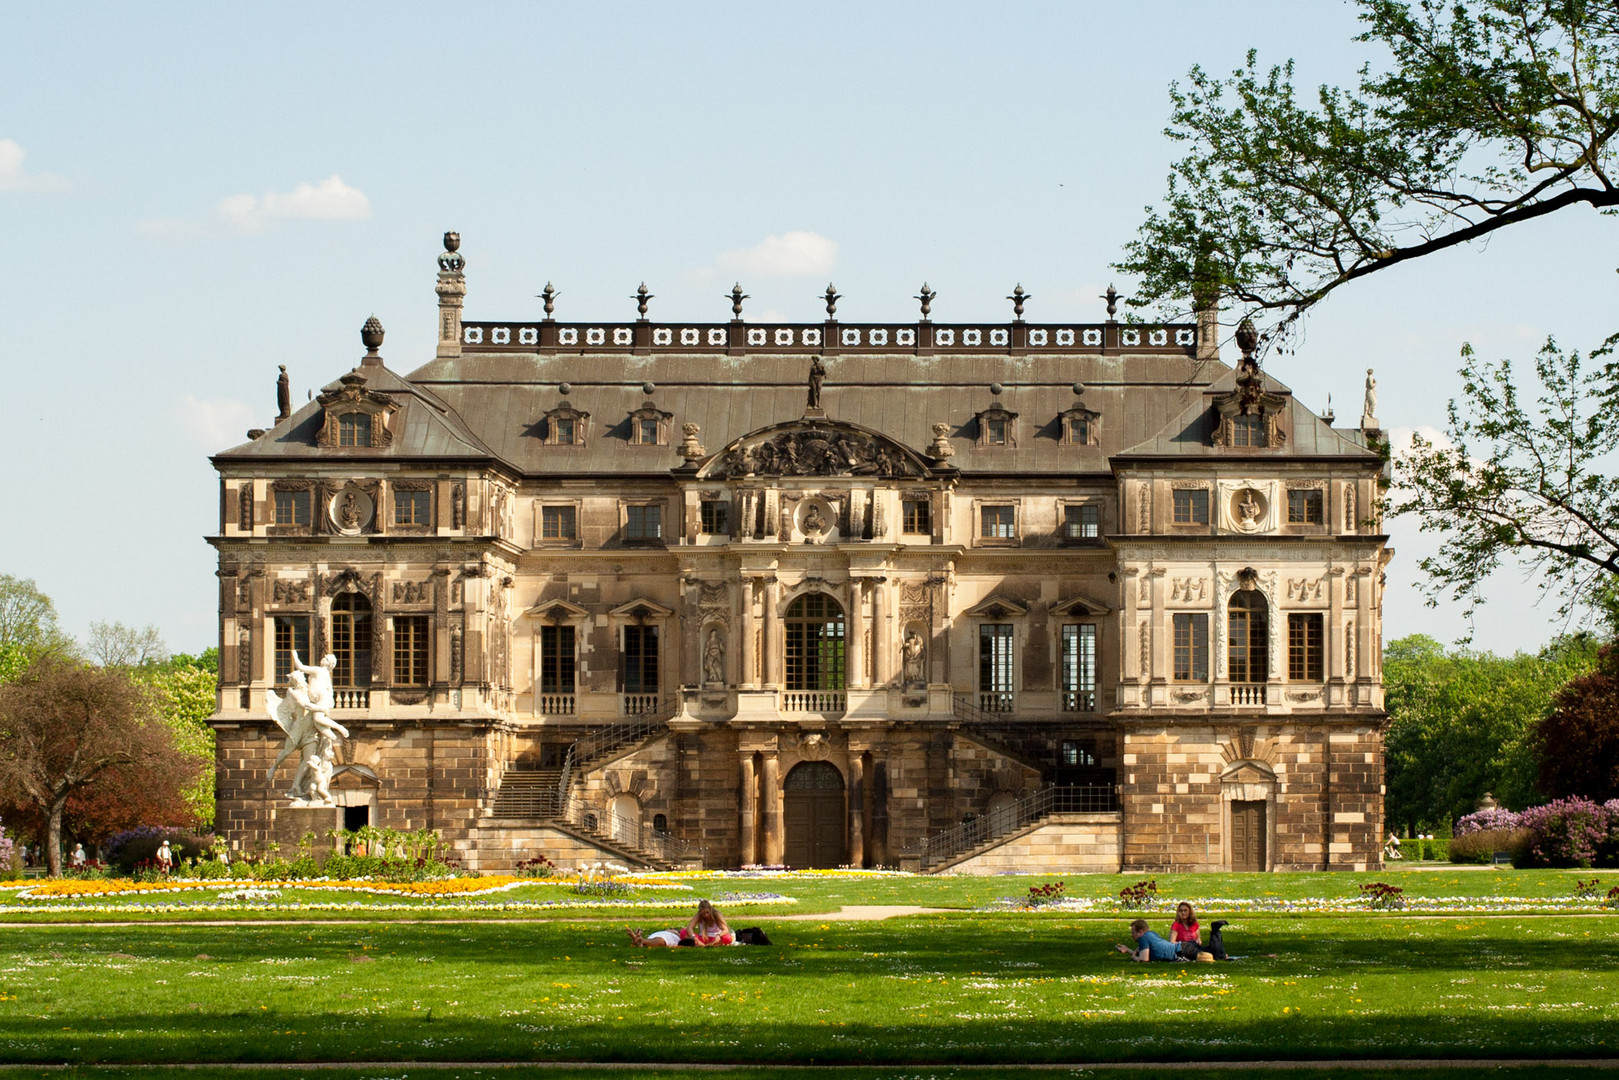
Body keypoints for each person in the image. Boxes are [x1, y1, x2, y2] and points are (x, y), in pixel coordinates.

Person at [1116, 917, 1228, 962]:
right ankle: (1216, 931)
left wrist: (1133, 957)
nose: (1132, 936)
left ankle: (1215, 931)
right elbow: (1148, 953)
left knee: (1215, 956)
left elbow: (1144, 959)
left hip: (1182, 951)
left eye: (1133, 933)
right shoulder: (1151, 934)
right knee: (1217, 955)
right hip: (1185, 946)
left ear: (1140, 932)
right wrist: (1127, 949)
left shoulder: (1144, 938)